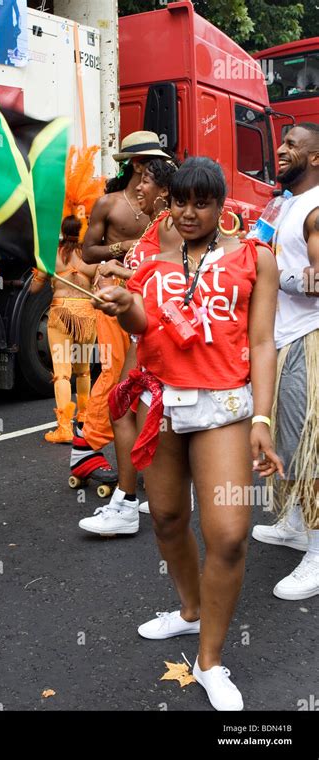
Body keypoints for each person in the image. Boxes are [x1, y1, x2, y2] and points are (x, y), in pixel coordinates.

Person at [94, 157, 283, 711]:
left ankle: (211, 661)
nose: (190, 212)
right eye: (180, 201)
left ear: (222, 204)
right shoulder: (149, 259)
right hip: (162, 404)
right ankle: (189, 610)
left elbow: (264, 343)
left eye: (202, 201)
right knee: (168, 518)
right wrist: (125, 304)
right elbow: (143, 327)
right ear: (168, 202)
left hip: (223, 406)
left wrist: (263, 419)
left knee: (227, 534)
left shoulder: (255, 258)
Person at [78, 155, 181, 533]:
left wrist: (123, 274)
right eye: (138, 179)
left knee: (130, 408)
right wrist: (119, 270)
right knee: (132, 410)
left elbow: (173, 277)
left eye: (146, 181)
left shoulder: (168, 225)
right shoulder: (158, 225)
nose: (138, 186)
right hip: (145, 330)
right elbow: (150, 272)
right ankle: (145, 495)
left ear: (164, 191)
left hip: (157, 332)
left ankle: (129, 501)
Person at [252, 123, 319, 600]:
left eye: (292, 145)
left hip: (307, 339)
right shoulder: (284, 205)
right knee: (286, 439)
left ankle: (317, 551)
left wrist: (276, 277)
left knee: (310, 448)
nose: (280, 148)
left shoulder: (315, 209)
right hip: (282, 339)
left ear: (315, 158)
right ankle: (295, 523)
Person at [30, 214, 98, 443]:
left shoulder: (51, 255)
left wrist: (40, 273)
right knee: (84, 369)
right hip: (87, 316)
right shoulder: (91, 257)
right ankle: (84, 419)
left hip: (61, 315)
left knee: (61, 372)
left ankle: (64, 428)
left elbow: (34, 288)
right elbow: (101, 288)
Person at [0, 0, 21, 65]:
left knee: (3, 59)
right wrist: (18, 27)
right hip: (8, 29)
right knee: (10, 58)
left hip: (0, 30)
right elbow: (18, 14)